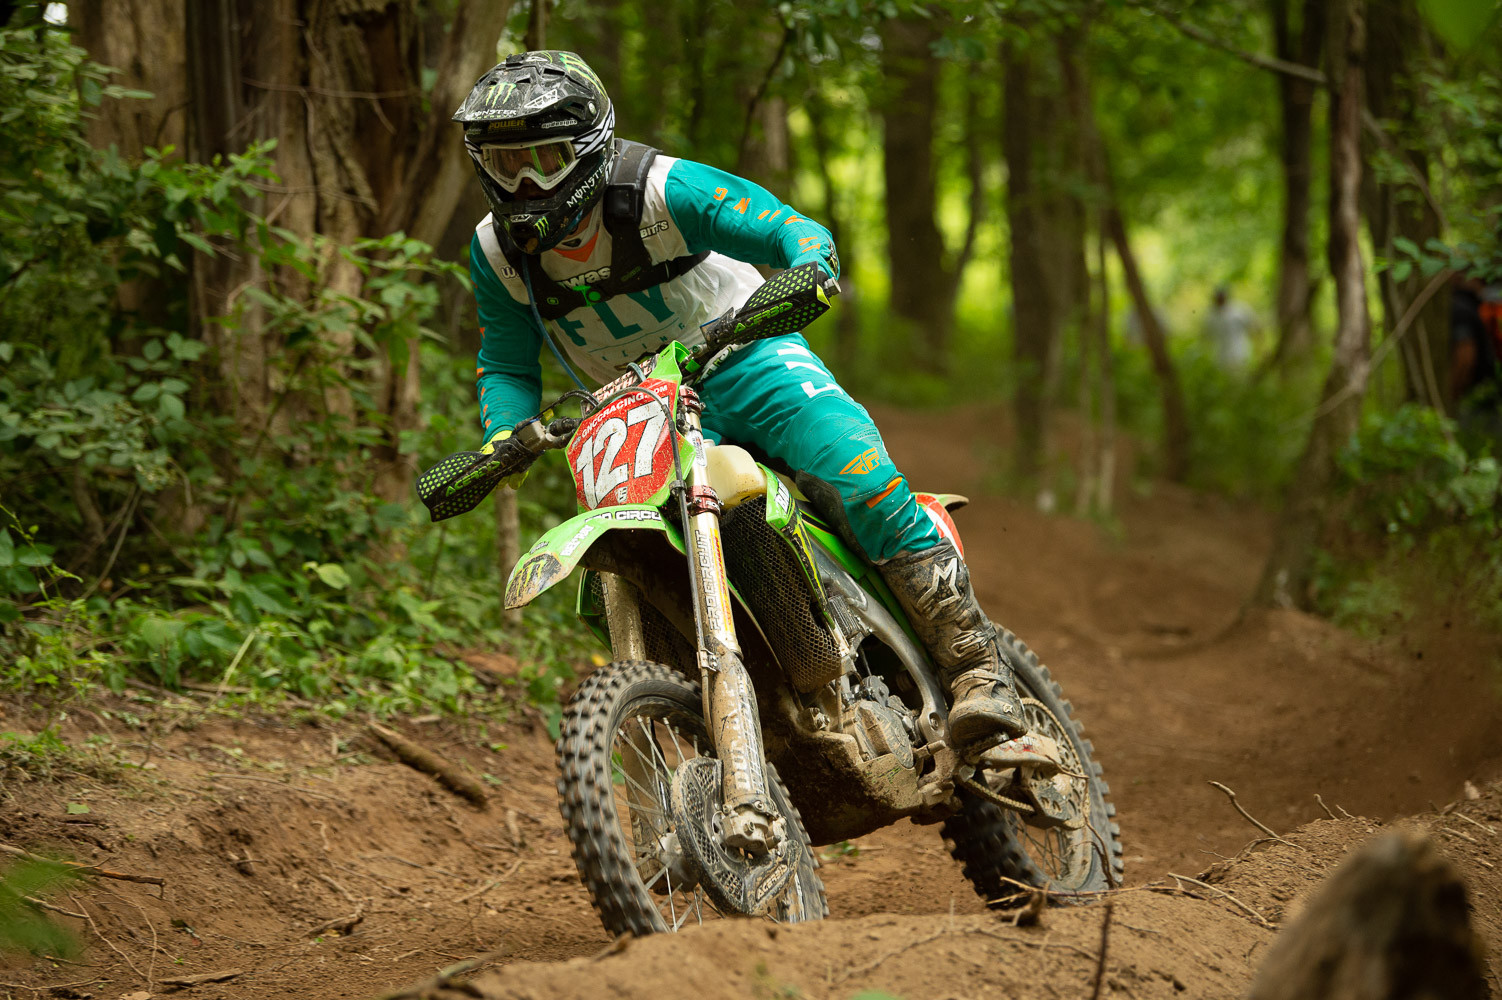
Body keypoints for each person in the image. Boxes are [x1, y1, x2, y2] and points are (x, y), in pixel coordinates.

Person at [452, 51, 1026, 757]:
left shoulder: (663, 191)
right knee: (627, 554)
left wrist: (810, 269)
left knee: (860, 477)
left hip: (747, 358)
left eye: (544, 157)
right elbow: (506, 360)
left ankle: (978, 670)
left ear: (590, 148)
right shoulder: (496, 252)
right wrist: (502, 435)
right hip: (636, 409)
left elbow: (790, 230)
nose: (527, 181)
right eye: (506, 164)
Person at [1449, 277, 1502, 444]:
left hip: (1474, 394)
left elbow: (1466, 355)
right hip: (1489, 388)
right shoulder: (1474, 304)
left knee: (1475, 445)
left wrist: (1454, 391)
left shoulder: (1459, 307)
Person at [1202, 285, 1259, 371]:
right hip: (1220, 357)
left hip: (1240, 353)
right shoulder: (1210, 316)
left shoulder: (1239, 310)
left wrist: (1258, 346)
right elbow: (1206, 337)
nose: (1220, 299)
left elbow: (1254, 326)